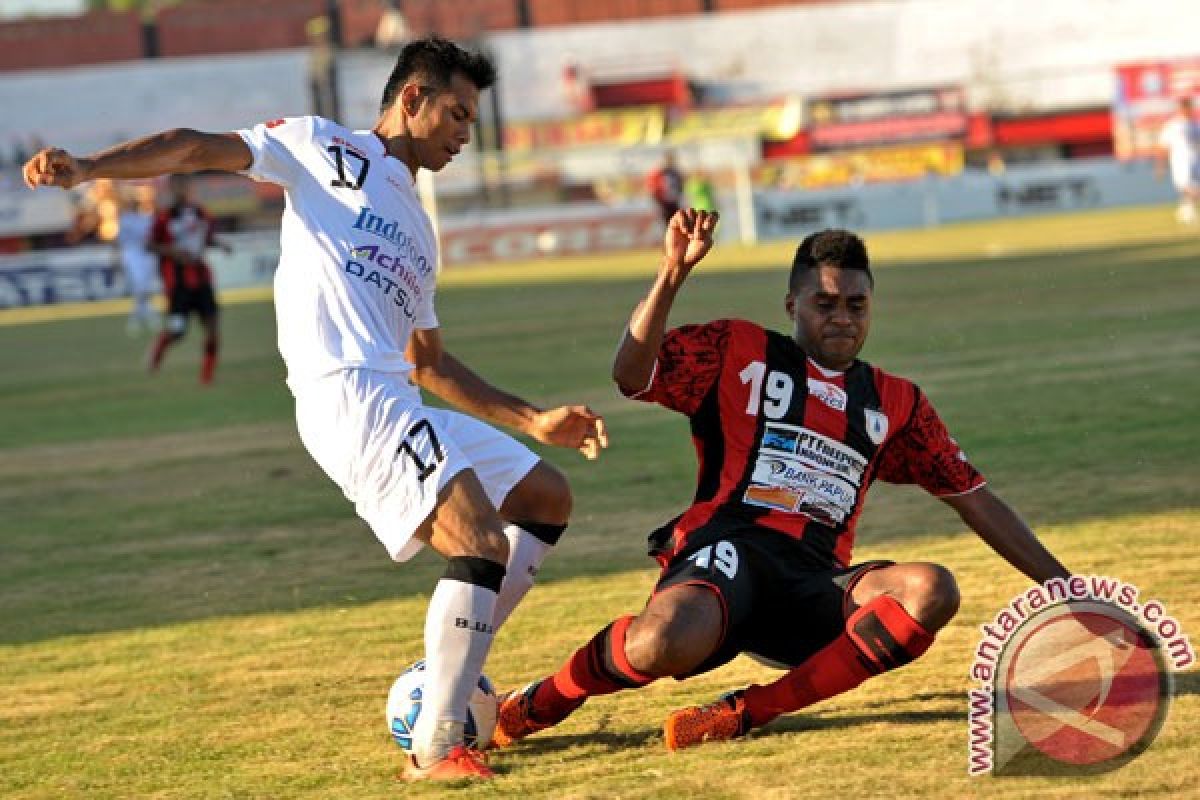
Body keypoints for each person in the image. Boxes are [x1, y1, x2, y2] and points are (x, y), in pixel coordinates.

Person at [23, 35, 608, 782]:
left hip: (394, 393)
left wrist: (532, 421)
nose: (465, 133)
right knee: (482, 541)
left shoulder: (421, 234)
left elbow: (425, 361)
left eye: (471, 119)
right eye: (456, 113)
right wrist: (93, 169)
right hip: (348, 394)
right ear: (411, 99)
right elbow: (197, 148)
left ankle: (450, 680)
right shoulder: (321, 146)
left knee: (545, 497)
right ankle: (438, 747)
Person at [492, 219, 1071, 755]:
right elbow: (631, 376)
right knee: (658, 645)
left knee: (932, 590)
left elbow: (976, 500)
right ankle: (544, 701)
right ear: (792, 304)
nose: (841, 316)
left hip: (815, 584)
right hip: (728, 556)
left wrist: (1070, 592)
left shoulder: (898, 403)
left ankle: (747, 711)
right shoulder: (738, 349)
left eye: (855, 304)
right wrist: (672, 274)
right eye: (824, 303)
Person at [144, 174, 228, 383]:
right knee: (178, 331)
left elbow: (204, 239)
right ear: (171, 189)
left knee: (213, 328)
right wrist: (173, 252)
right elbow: (150, 245)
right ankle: (159, 349)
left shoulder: (202, 214)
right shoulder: (164, 217)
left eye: (185, 185)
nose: (183, 190)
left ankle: (207, 377)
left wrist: (220, 244)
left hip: (202, 279)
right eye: (178, 186)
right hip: (178, 283)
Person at [115, 183, 160, 335]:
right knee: (140, 285)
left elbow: (153, 237)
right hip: (133, 254)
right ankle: (146, 317)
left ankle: (137, 317)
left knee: (146, 287)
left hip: (146, 254)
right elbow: (121, 241)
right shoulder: (125, 219)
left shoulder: (146, 217)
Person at [1156, 95, 1200, 225]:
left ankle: (1186, 211)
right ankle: (1186, 211)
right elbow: (1163, 146)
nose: (1188, 110)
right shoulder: (1172, 126)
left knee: (1192, 189)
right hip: (1180, 162)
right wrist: (1160, 166)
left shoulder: (1195, 125)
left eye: (1190, 107)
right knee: (1186, 187)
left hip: (1196, 161)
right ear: (1180, 108)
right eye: (1186, 107)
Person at [646, 150, 684, 227]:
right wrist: (659, 201)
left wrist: (678, 195)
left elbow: (680, 185)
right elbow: (653, 188)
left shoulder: (675, 172)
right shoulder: (659, 172)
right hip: (664, 203)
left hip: (674, 202)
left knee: (677, 223)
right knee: (668, 225)